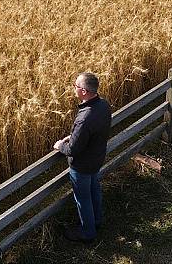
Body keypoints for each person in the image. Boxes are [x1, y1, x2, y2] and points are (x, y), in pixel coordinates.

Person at [54, 72, 112, 243]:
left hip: (82, 166)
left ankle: (88, 232)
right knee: (94, 190)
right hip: (96, 159)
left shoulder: (85, 117)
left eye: (76, 86)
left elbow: (73, 149)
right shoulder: (104, 105)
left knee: (83, 199)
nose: (74, 88)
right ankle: (97, 221)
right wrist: (74, 136)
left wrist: (60, 146)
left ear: (84, 91)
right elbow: (91, 134)